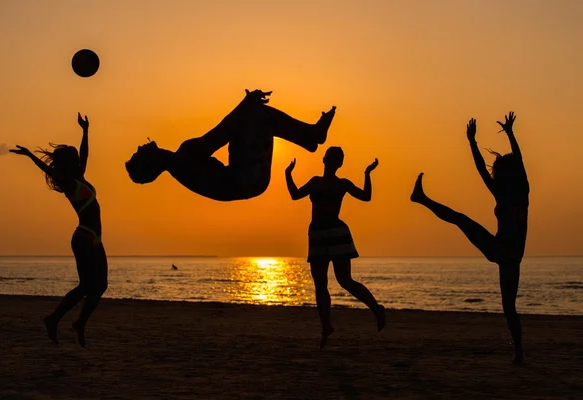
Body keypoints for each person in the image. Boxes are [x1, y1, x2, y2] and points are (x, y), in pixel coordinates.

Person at [410, 112, 528, 365]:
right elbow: (484, 169)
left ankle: (519, 352)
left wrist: (506, 134)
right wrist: (475, 142)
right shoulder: (511, 193)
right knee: (461, 219)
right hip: (503, 252)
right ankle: (518, 352)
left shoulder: (518, 192)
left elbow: (517, 161)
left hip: (505, 254)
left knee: (509, 307)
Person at [125, 89, 336, 201]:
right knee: (255, 114)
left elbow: (225, 130)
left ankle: (308, 136)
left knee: (255, 118)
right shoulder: (182, 159)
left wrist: (244, 108)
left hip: (247, 180)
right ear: (150, 163)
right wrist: (245, 105)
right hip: (246, 178)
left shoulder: (179, 162)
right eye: (138, 155)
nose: (139, 149)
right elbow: (221, 133)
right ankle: (309, 135)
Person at [10, 113, 107, 348]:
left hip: (95, 239)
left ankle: (79, 323)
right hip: (83, 237)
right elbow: (48, 170)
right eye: (74, 156)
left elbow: (85, 154)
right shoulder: (68, 183)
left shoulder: (80, 177)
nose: (78, 158)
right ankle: (53, 319)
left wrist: (85, 131)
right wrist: (30, 155)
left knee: (100, 286)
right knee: (86, 285)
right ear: (68, 163)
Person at [285, 147, 386, 349]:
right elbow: (295, 195)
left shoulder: (342, 184)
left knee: (344, 280)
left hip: (336, 233)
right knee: (320, 284)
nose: (332, 162)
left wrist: (367, 174)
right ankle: (326, 326)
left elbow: (366, 196)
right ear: (325, 159)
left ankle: (376, 308)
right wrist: (288, 174)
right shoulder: (315, 182)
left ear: (339, 163)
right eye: (331, 158)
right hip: (318, 235)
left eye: (336, 159)